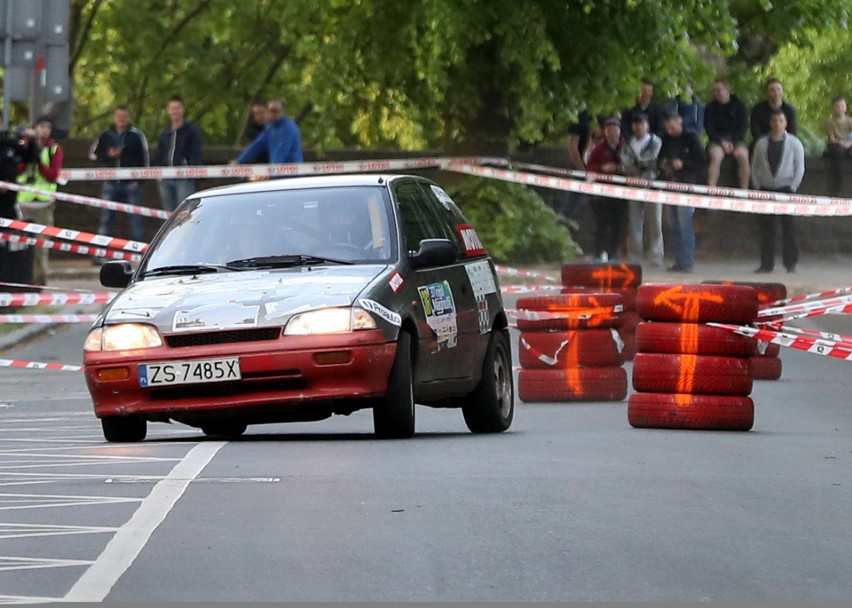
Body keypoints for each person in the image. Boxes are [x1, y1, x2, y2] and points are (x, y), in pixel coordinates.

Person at [89, 105, 150, 260]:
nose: (121, 119)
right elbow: (94, 155)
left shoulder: (136, 135)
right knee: (106, 219)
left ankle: (140, 255)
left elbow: (144, 159)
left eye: (124, 116)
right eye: (118, 116)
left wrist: (140, 180)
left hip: (131, 184)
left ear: (128, 117)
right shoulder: (105, 135)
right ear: (114, 117)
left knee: (136, 220)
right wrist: (108, 155)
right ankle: (102, 254)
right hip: (110, 183)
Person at [751, 109, 805, 274]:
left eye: (781, 121)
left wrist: (793, 187)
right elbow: (755, 167)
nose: (777, 124)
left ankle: (791, 263)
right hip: (766, 189)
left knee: (789, 228)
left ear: (785, 123)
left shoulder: (795, 143)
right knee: (766, 229)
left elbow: (800, 167)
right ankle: (766, 264)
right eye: (775, 121)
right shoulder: (761, 143)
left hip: (786, 188)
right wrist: (758, 186)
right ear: (770, 123)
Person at [15, 116, 64, 285]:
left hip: (44, 203)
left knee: (41, 246)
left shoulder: (53, 149)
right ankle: (23, 282)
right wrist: (28, 152)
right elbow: (16, 169)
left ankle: (40, 283)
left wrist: (39, 162)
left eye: (47, 127)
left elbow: (52, 176)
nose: (44, 130)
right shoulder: (23, 145)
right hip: (24, 202)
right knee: (21, 246)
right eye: (41, 126)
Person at [657, 111, 707, 273]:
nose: (670, 129)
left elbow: (701, 161)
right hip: (669, 184)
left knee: (685, 224)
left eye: (672, 125)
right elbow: (659, 159)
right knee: (673, 225)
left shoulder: (691, 138)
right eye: (668, 127)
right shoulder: (665, 139)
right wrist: (663, 163)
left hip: (686, 185)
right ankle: (679, 261)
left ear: (679, 122)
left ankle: (688, 261)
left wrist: (683, 164)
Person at [620, 112, 664, 266]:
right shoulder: (628, 143)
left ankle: (656, 255)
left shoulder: (656, 142)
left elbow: (653, 160)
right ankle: (634, 256)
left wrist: (637, 164)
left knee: (655, 222)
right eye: (636, 124)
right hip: (633, 185)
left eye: (641, 123)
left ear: (647, 125)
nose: (638, 127)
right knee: (634, 221)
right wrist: (636, 168)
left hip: (652, 184)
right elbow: (625, 163)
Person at [585, 117, 627, 262]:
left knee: (618, 224)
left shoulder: (626, 148)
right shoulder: (598, 149)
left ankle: (613, 253)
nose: (612, 133)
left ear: (620, 131)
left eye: (615, 129)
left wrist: (621, 169)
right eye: (609, 130)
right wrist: (602, 168)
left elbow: (633, 165)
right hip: (602, 193)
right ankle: (598, 253)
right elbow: (589, 168)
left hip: (621, 192)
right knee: (602, 224)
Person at [154, 95, 204, 212]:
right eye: (172, 108)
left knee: (185, 212)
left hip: (184, 177)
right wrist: (159, 171)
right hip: (165, 177)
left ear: (183, 110)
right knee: (168, 213)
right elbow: (160, 153)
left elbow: (196, 153)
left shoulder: (192, 130)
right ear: (168, 111)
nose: (175, 111)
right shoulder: (165, 132)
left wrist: (197, 174)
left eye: (178, 108)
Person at [704, 78, 750, 189]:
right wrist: (721, 142)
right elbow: (709, 128)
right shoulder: (710, 107)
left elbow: (743, 127)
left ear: (727, 89)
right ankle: (711, 188)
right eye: (714, 91)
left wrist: (732, 142)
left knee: (743, 156)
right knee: (716, 156)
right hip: (717, 140)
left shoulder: (739, 105)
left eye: (719, 90)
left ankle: (744, 191)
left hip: (736, 140)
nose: (716, 93)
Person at [234, 99, 303, 166]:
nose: (272, 114)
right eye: (270, 111)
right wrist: (238, 161)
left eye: (275, 111)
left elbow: (281, 151)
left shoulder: (289, 127)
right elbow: (256, 146)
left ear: (282, 112)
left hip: (292, 173)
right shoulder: (270, 128)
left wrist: (271, 171)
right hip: (276, 172)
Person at [750, 78, 798, 144]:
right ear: (767, 92)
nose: (776, 92)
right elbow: (755, 129)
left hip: (785, 143)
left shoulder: (789, 110)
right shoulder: (758, 109)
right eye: (772, 90)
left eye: (778, 89)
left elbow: (792, 131)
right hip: (762, 143)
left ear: (782, 91)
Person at [823, 95, 852, 196]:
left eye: (842, 106)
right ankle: (837, 181)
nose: (840, 109)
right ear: (833, 108)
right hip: (836, 145)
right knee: (836, 152)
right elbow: (831, 139)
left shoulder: (850, 121)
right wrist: (841, 143)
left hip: (849, 144)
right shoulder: (830, 122)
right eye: (837, 106)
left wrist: (848, 143)